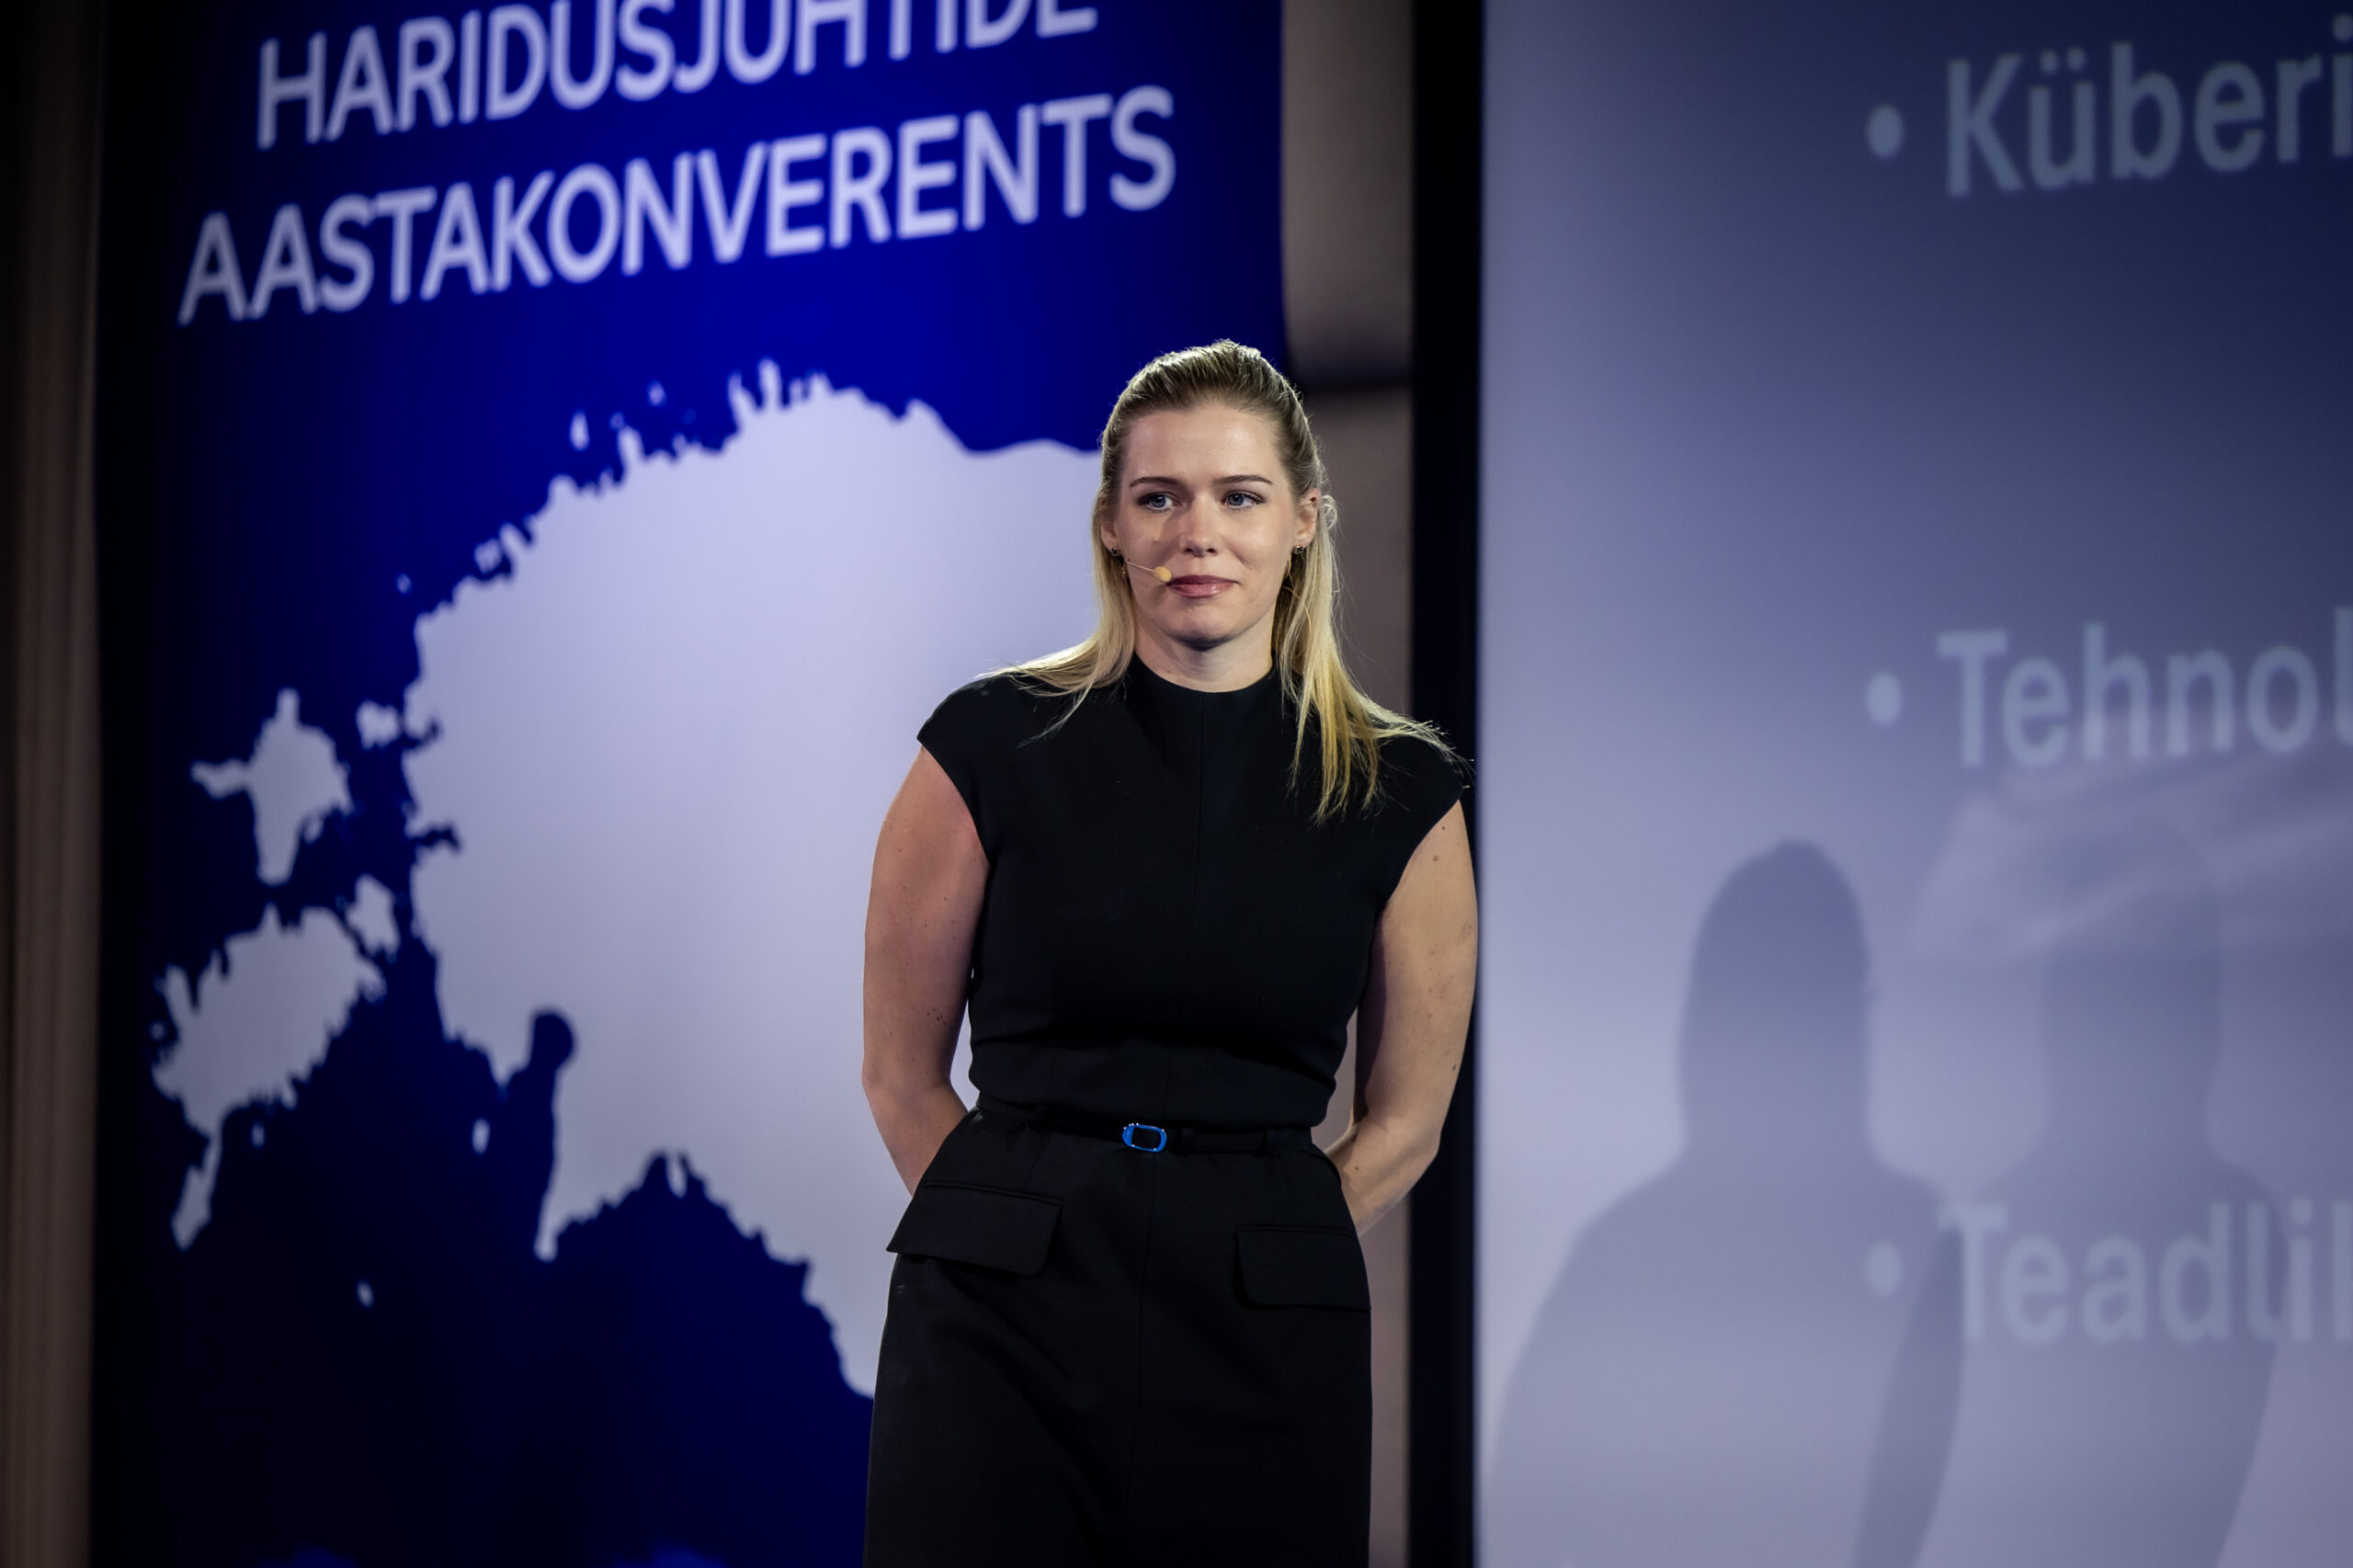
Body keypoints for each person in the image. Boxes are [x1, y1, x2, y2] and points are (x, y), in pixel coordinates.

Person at [858, 341, 1478, 1566]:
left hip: (1263, 1318)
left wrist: (1270, 1226)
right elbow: (898, 1072)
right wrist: (1006, 1217)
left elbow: (1408, 1119)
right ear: (1112, 525)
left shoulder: (1400, 790)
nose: (1199, 534)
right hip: (1000, 1315)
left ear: (1303, 520)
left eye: (1240, 497)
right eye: (1160, 497)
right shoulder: (987, 742)